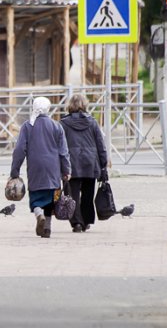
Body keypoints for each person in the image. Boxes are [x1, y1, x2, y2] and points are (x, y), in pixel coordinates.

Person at [10, 97, 71, 238]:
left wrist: (15, 171)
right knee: (51, 198)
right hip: (53, 169)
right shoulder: (57, 126)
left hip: (35, 167)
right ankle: (47, 228)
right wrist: (66, 170)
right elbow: (64, 152)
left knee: (36, 197)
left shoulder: (27, 126)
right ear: (48, 109)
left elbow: (19, 150)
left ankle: (38, 214)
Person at [60, 94, 108, 233]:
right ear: (85, 105)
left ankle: (76, 223)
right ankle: (86, 220)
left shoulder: (63, 124)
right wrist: (103, 163)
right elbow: (101, 144)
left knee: (72, 194)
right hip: (90, 163)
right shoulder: (92, 122)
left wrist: (60, 165)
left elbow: (60, 146)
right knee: (88, 194)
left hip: (71, 164)